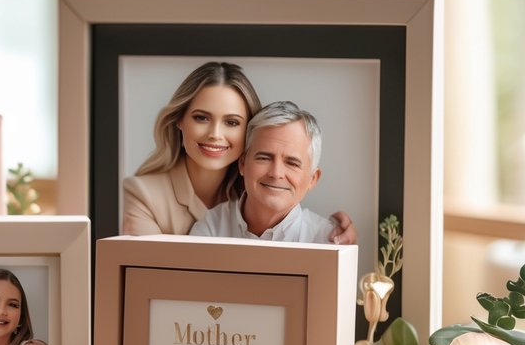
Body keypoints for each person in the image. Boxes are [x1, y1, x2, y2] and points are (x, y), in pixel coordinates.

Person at [122, 62, 355, 243]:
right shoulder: (144, 196)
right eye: (201, 118)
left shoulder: (260, 189)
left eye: (232, 122)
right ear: (179, 121)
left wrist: (336, 233)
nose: (215, 134)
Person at [190, 101, 335, 242]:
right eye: (264, 158)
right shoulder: (209, 230)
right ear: (242, 164)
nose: (276, 173)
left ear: (312, 179)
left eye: (292, 163)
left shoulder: (327, 240)